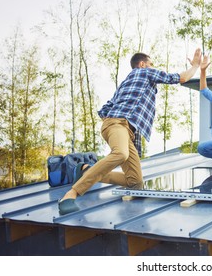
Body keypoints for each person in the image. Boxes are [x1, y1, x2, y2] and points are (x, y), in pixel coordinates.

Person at [58, 48, 202, 215]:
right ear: (142, 64)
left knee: (135, 183)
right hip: (118, 124)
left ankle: (85, 170)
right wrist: (196, 66)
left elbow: (105, 108)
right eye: (150, 64)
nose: (152, 67)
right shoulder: (144, 73)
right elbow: (182, 78)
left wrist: (113, 123)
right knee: (120, 154)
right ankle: (71, 195)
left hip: (124, 129)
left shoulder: (126, 84)